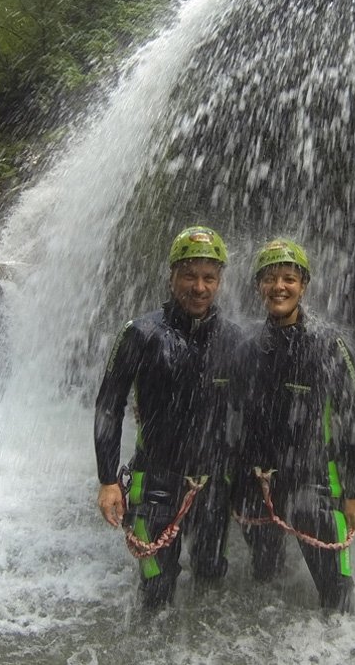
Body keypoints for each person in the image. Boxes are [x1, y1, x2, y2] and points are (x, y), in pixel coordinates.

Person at [94, 226, 242, 610]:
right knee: (156, 594)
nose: (199, 287)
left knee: (211, 576)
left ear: (220, 281)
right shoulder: (141, 334)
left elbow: (250, 410)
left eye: (209, 277)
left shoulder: (233, 338)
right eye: (189, 275)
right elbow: (109, 406)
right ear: (172, 275)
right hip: (155, 479)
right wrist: (108, 480)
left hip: (212, 483)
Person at [231, 238, 355, 613]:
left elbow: (352, 420)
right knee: (265, 577)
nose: (279, 287)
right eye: (270, 279)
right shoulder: (248, 349)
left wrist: (353, 493)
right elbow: (236, 418)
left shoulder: (328, 346)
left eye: (289, 278)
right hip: (262, 482)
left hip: (314, 481)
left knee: (337, 598)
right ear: (259, 286)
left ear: (303, 285)